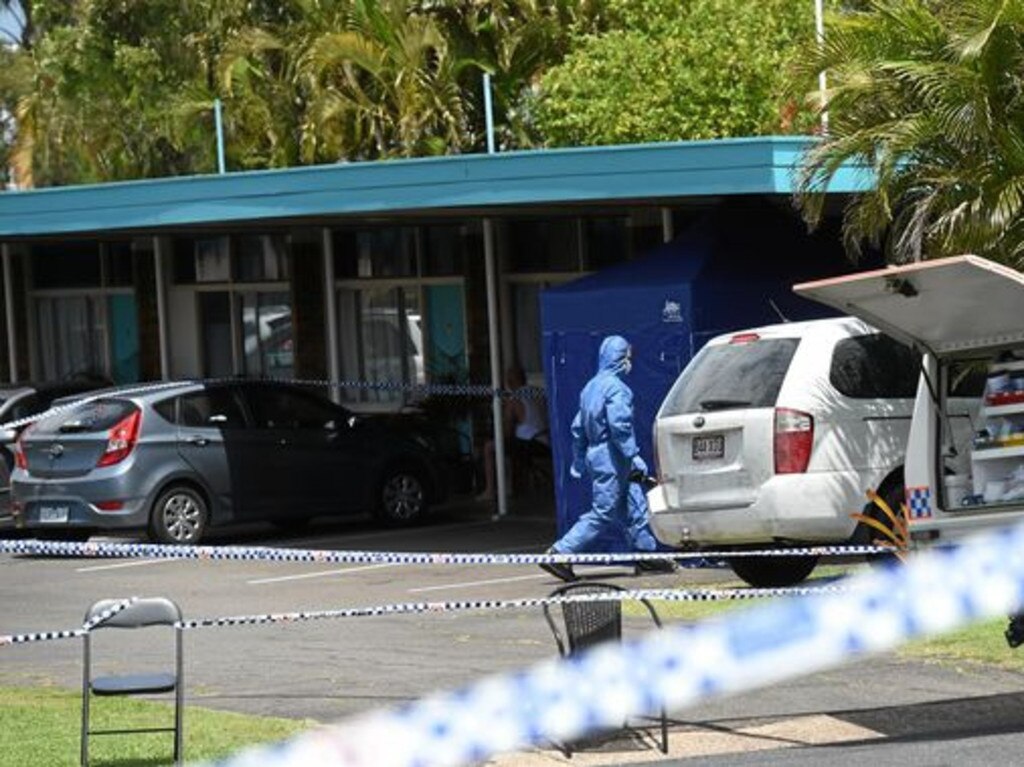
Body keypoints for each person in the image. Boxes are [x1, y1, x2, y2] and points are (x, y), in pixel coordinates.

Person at [540, 335, 673, 582]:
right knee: (604, 512)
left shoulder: (590, 387)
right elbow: (619, 426)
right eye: (628, 358)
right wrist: (633, 457)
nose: (629, 363)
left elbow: (577, 426)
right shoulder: (617, 389)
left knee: (634, 503)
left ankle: (646, 553)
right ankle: (561, 552)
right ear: (620, 359)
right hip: (613, 457)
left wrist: (579, 458)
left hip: (598, 454)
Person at [475, 364, 549, 502]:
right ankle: (514, 486)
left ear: (509, 382)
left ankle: (490, 489)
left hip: (530, 444)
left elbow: (507, 431)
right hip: (546, 441)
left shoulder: (514, 398)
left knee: (489, 447)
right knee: (511, 447)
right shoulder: (538, 392)